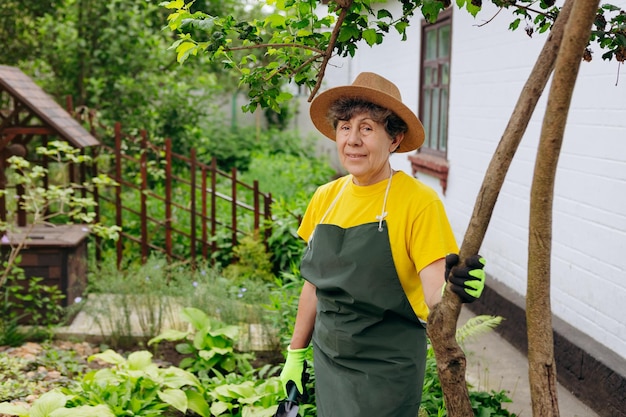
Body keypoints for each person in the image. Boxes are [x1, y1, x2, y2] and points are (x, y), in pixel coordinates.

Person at [278, 72, 486, 417]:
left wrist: (457, 288)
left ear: (394, 139)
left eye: (368, 128)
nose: (353, 140)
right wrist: (295, 353)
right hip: (329, 358)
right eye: (345, 127)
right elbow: (313, 285)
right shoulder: (326, 198)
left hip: (387, 367)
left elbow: (435, 293)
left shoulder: (418, 201)